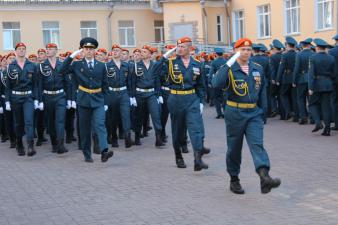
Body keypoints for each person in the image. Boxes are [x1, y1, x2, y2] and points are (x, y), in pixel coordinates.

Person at [212, 38, 281, 194]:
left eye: (248, 49)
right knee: (234, 148)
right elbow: (216, 83)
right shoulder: (229, 68)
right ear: (235, 51)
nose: (246, 52)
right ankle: (234, 179)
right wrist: (229, 62)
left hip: (254, 113)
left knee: (257, 145)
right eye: (242, 49)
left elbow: (262, 91)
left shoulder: (257, 68)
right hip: (234, 112)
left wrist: (263, 111)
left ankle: (265, 177)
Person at [59, 37, 114, 163]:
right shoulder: (77, 64)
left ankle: (104, 151)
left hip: (98, 99)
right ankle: (87, 154)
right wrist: (71, 56)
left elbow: (105, 85)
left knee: (100, 125)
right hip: (83, 100)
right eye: (86, 49)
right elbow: (60, 70)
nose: (89, 51)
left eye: (91, 49)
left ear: (95, 51)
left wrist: (106, 102)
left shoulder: (101, 66)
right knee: (84, 129)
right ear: (82, 50)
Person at [160, 37, 208, 171]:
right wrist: (165, 55)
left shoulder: (197, 64)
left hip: (192, 99)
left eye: (182, 46)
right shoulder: (170, 63)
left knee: (196, 129)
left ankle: (198, 159)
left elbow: (201, 85)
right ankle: (178, 155)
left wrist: (201, 101)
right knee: (178, 130)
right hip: (176, 99)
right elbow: (155, 71)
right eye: (178, 46)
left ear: (189, 48)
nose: (179, 49)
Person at [4, 42, 38, 156]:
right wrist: (7, 101)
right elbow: (8, 86)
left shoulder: (32, 65)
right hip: (15, 97)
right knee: (18, 123)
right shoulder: (10, 66)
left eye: (23, 49)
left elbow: (35, 84)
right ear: (16, 51)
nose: (22, 50)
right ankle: (19, 144)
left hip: (28, 97)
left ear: (25, 51)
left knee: (29, 121)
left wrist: (36, 99)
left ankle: (30, 146)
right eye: (19, 49)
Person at [37, 43, 70, 154]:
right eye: (47, 48)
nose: (48, 50)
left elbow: (67, 82)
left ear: (56, 50)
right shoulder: (41, 66)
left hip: (60, 96)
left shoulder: (62, 65)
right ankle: (54, 144)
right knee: (50, 122)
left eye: (50, 49)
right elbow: (39, 85)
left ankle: (61, 144)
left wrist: (69, 99)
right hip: (47, 96)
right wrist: (40, 100)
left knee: (60, 120)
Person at [130, 45, 164, 147]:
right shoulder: (136, 65)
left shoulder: (154, 65)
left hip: (151, 94)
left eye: (144, 52)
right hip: (139, 94)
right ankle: (137, 136)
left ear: (149, 54)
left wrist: (159, 95)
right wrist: (132, 97)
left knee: (156, 115)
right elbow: (132, 82)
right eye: (141, 51)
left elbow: (157, 80)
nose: (142, 53)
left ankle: (158, 138)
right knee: (138, 116)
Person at [105, 44, 133, 148]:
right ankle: (114, 137)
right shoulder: (107, 66)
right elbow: (105, 83)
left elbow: (130, 81)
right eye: (114, 50)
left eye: (117, 50)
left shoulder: (127, 66)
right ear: (112, 53)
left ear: (121, 53)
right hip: (111, 93)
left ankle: (127, 137)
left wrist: (131, 96)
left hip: (124, 93)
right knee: (113, 118)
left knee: (126, 115)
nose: (115, 52)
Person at [308, 38, 335, 136]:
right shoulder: (331, 58)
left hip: (317, 84)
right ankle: (327, 129)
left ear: (317, 48)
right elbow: (334, 73)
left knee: (312, 104)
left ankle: (318, 123)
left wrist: (310, 87)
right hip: (328, 84)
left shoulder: (313, 57)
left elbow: (311, 73)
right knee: (326, 107)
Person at [292, 38, 315, 125]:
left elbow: (296, 68)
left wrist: (294, 80)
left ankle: (303, 117)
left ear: (302, 46)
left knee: (300, 99)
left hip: (301, 79)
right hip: (311, 78)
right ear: (309, 45)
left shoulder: (299, 54)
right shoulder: (313, 54)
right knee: (311, 99)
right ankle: (312, 118)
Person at [277, 36, 298, 121]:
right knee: (294, 96)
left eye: (286, 45)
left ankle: (288, 111)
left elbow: (281, 68)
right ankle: (296, 116)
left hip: (287, 77)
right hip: (295, 77)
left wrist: (278, 79)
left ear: (288, 45)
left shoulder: (285, 55)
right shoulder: (297, 54)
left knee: (283, 94)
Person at [209, 48, 226, 119]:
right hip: (225, 82)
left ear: (216, 54)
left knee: (216, 99)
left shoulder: (214, 62)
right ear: (223, 54)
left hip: (217, 82)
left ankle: (219, 113)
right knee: (224, 98)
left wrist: (210, 81)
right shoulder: (226, 61)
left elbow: (211, 73)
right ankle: (225, 112)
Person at [328, 34, 338, 130]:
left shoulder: (331, 51)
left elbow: (329, 66)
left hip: (335, 80)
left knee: (334, 101)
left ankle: (337, 124)